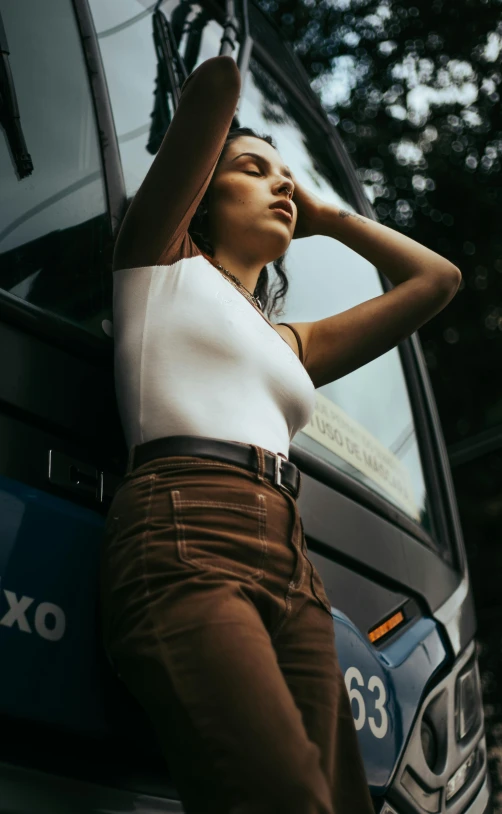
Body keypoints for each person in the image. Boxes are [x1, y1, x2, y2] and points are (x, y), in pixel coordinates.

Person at [98, 54, 461, 814]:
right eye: (254, 170)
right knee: (278, 797)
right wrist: (243, 140)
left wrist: (328, 218)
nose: (282, 186)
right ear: (201, 194)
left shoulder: (289, 343)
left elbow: (438, 282)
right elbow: (218, 84)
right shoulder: (160, 260)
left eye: (285, 179)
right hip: (185, 524)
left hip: (293, 565)